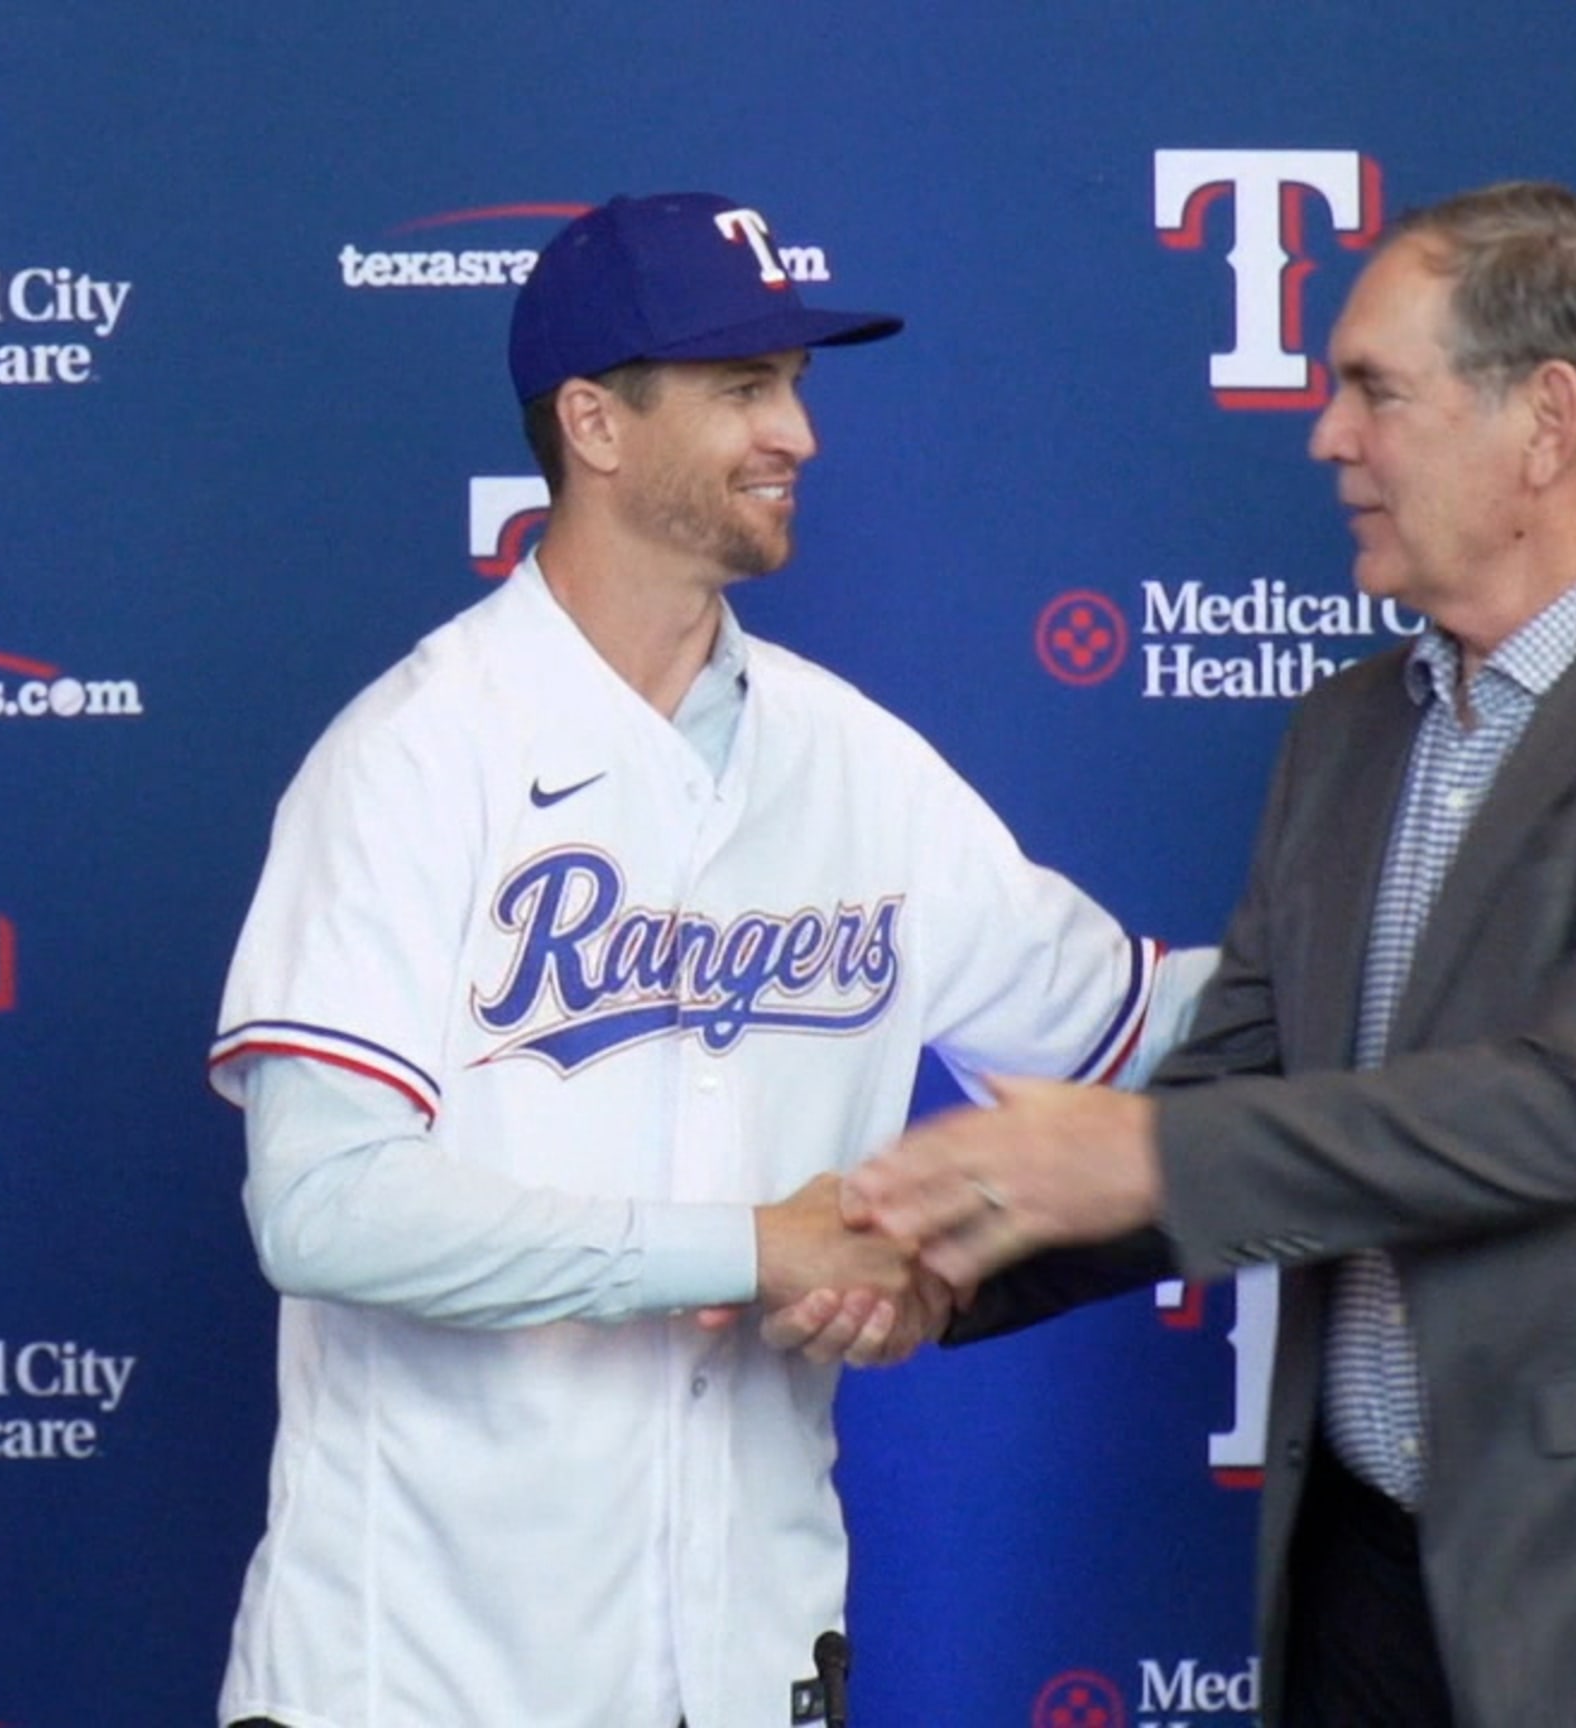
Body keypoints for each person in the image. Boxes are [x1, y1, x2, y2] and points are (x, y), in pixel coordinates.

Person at [851, 182, 1576, 1725]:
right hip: (1363, 1587)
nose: (1326, 435)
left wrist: (1139, 1157)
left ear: (1547, 420)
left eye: (1375, 391)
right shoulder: (1344, 732)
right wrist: (927, 1259)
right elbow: (1235, 1088)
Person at [206, 192, 1210, 1728]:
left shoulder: (858, 764)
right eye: (744, 387)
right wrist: (758, 1247)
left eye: (797, 385)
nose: (798, 432)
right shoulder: (414, 759)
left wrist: (1435, 936)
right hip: (420, 1676)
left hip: (746, 1662)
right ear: (596, 425)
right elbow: (326, 1205)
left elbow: (1139, 1032)